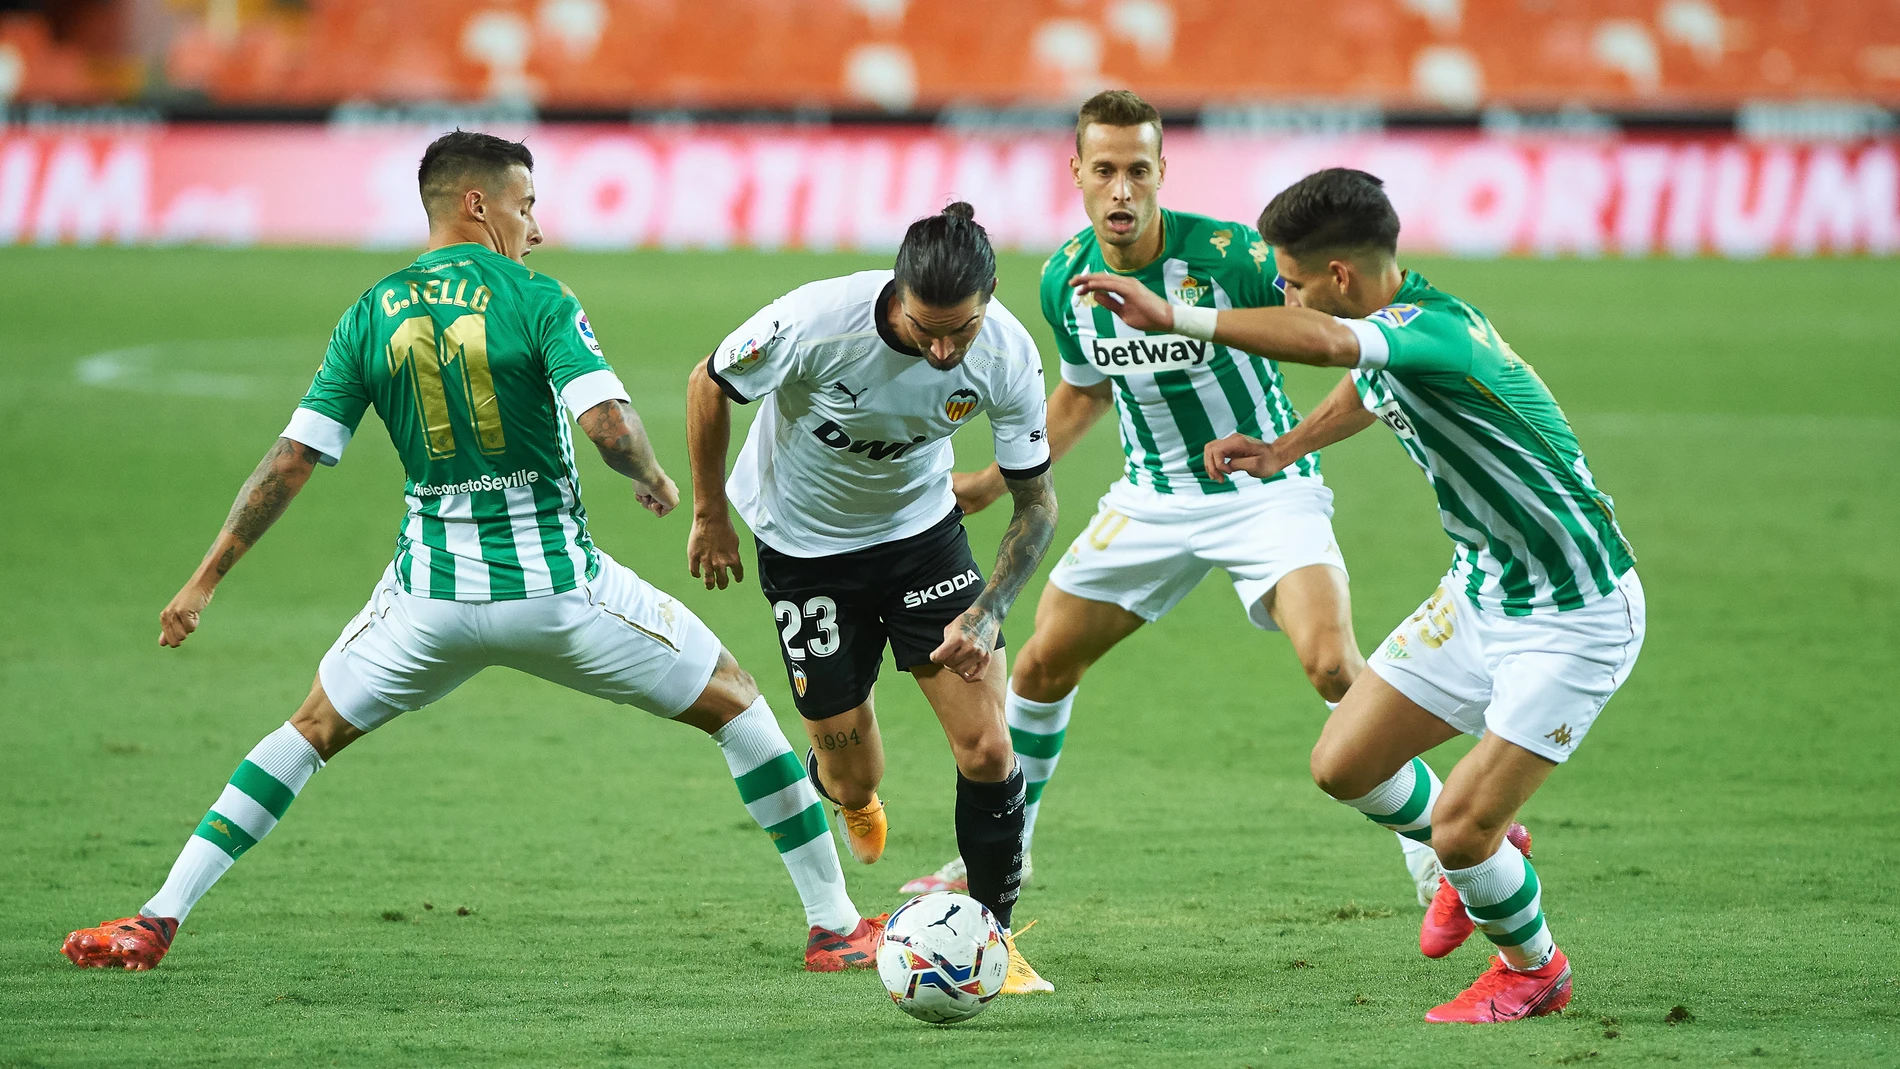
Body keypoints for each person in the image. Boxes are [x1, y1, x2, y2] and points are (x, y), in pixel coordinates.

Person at [61, 131, 880, 974]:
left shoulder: (369, 312)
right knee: (739, 706)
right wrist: (655, 477)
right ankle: (834, 927)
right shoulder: (537, 296)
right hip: (559, 595)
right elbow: (607, 423)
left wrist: (202, 580)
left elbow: (291, 461)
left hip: (426, 605)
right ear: (478, 204)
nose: (537, 227)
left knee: (306, 730)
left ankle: (155, 918)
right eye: (527, 206)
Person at [1073, 167, 1644, 1024]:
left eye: (1294, 281)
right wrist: (1281, 447)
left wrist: (1178, 314)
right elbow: (1364, 387)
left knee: (1457, 830)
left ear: (1339, 276)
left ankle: (1534, 967)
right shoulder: (1392, 326)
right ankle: (1488, 856)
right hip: (1484, 590)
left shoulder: (1434, 330)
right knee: (1342, 764)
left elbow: (1339, 351)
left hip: (1577, 615)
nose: (1285, 291)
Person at [904, 90, 1444, 905]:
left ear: (1163, 172)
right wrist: (993, 476)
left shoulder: (1230, 256)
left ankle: (1441, 836)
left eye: (1138, 171)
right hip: (1152, 498)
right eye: (1106, 171)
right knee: (1044, 663)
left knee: (1331, 661)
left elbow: (1340, 307)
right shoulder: (1063, 279)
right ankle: (1006, 848)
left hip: (1266, 489)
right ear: (1078, 171)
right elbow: (1085, 391)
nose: (1122, 190)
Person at [684, 203, 1059, 994]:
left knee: (990, 747)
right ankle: (849, 791)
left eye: (962, 328)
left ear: (989, 300)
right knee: (856, 776)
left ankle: (993, 936)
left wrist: (989, 610)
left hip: (922, 537)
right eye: (928, 328)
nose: (944, 347)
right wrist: (711, 513)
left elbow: (1037, 505)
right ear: (896, 292)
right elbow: (708, 382)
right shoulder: (817, 322)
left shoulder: (1006, 354)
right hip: (804, 549)